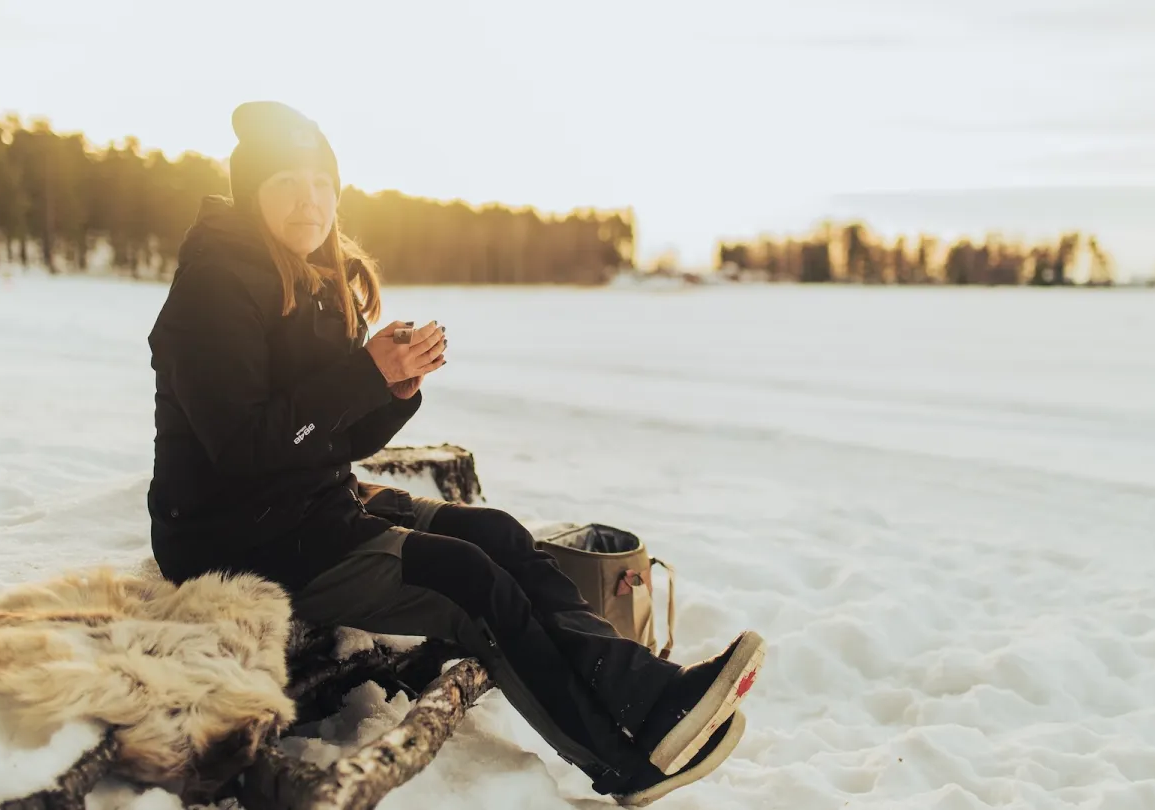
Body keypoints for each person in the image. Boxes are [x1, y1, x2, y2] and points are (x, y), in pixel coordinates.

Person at [145, 101, 764, 805]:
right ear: (252, 193)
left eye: (320, 183)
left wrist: (392, 391)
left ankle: (646, 697)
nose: (308, 200)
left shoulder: (313, 277)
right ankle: (621, 761)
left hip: (309, 503)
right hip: (235, 534)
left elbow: (332, 440)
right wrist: (360, 377)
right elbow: (245, 448)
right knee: (470, 580)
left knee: (497, 533)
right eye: (285, 183)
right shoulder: (215, 286)